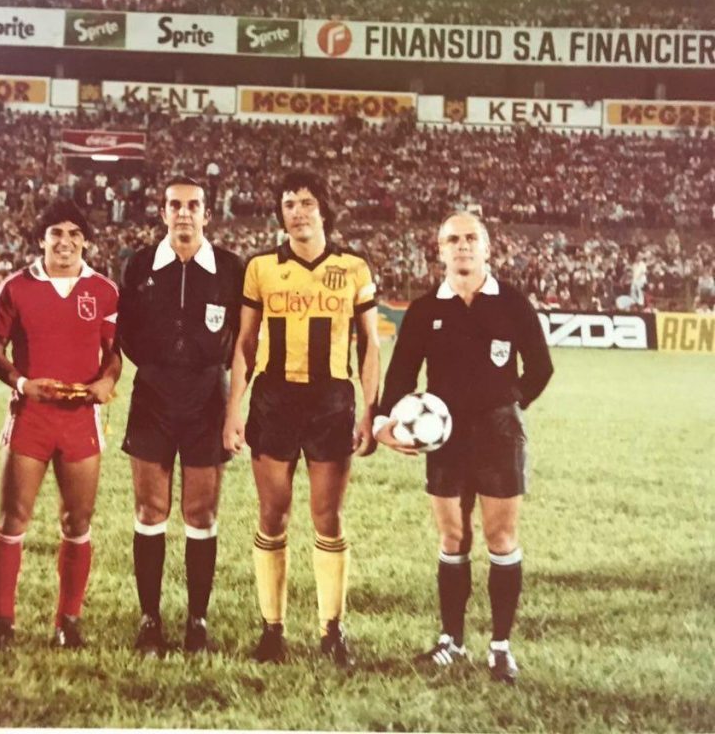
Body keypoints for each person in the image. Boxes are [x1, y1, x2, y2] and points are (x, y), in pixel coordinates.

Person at [374, 212, 553, 685]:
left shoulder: (512, 303)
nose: (462, 246)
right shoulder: (425, 310)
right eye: (452, 239)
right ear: (440, 251)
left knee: (500, 538)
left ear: (487, 248)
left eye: (471, 238)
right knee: (453, 538)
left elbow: (540, 367)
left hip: (498, 436)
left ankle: (500, 648)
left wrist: (510, 403)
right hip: (444, 441)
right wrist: (382, 423)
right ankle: (451, 641)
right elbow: (400, 373)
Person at [223, 170, 380, 667]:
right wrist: (233, 408)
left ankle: (332, 628)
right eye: (288, 203)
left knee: (327, 518)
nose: (297, 212)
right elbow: (245, 343)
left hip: (331, 402)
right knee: (273, 515)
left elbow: (370, 344)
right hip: (274, 401)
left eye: (306, 202)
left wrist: (370, 410)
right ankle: (272, 628)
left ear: (324, 209)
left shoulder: (353, 267)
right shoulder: (261, 268)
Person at [0, 199, 120, 652]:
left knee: (77, 520)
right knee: (13, 518)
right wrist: (23, 383)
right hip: (31, 417)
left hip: (80, 419)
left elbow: (114, 353)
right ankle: (2, 624)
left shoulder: (103, 290)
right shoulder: (16, 287)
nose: (65, 242)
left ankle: (68, 622)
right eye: (56, 233)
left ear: (86, 241)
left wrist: (107, 381)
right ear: (41, 239)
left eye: (74, 234)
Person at [117, 176, 243, 655]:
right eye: (175, 205)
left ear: (207, 214)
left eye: (193, 205)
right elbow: (126, 333)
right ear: (163, 212)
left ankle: (197, 620)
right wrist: (158, 364)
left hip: (207, 399)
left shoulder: (229, 268)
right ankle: (150, 619)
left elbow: (243, 341)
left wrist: (232, 406)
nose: (184, 213)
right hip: (152, 397)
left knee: (201, 512)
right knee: (150, 510)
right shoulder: (140, 265)